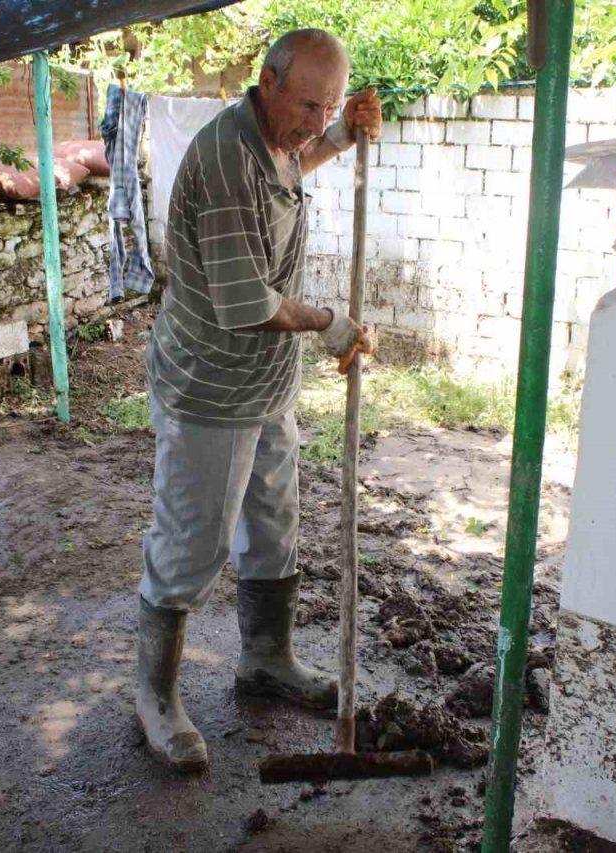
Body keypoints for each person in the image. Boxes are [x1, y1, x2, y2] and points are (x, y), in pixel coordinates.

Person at [136, 28, 382, 772]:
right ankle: (154, 695)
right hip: (211, 385)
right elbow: (250, 302)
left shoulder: (275, 138)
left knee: (275, 522)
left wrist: (340, 134)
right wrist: (333, 322)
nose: (314, 118)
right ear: (266, 80)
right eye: (308, 103)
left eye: (329, 104)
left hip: (266, 383)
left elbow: (294, 162)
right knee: (194, 541)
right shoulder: (220, 154)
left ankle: (266, 658)